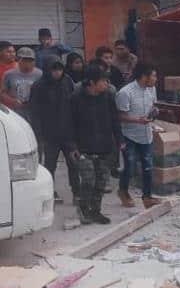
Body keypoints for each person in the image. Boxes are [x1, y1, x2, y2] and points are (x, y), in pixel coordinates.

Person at [67, 65, 122, 224]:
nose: (107, 84)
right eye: (104, 80)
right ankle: (84, 209)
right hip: (83, 148)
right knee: (88, 181)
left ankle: (96, 211)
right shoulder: (75, 98)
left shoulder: (108, 96)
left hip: (104, 147)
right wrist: (72, 146)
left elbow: (115, 120)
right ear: (92, 82)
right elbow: (68, 124)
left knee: (101, 182)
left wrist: (120, 141)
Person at [30, 56, 78, 204]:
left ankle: (77, 192)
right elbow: (35, 112)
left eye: (60, 69)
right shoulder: (39, 86)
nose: (57, 72)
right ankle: (50, 192)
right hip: (49, 134)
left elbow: (74, 106)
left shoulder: (67, 82)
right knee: (50, 165)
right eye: (54, 69)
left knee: (74, 163)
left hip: (68, 133)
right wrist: (39, 134)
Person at [116, 64, 161, 209]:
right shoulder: (125, 92)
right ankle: (123, 191)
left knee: (148, 166)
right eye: (153, 75)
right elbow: (120, 116)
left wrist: (154, 111)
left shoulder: (152, 89)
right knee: (129, 165)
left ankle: (147, 197)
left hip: (146, 134)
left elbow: (152, 105)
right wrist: (138, 120)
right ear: (144, 76)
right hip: (128, 135)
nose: (155, 79)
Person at [1, 47, 43, 120]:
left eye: (30, 60)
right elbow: (2, 93)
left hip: (34, 113)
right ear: (19, 60)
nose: (28, 63)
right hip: (15, 113)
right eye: (25, 60)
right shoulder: (9, 74)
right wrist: (12, 101)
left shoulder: (40, 74)